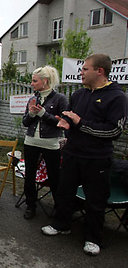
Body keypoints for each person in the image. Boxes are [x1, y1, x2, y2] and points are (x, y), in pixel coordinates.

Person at [41, 54, 128, 256]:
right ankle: (61, 224)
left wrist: (80, 123)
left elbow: (114, 131)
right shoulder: (79, 94)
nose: (81, 73)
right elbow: (71, 120)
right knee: (64, 192)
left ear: (100, 71)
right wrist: (66, 123)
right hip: (72, 154)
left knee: (95, 199)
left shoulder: (117, 96)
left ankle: (93, 238)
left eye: (85, 69)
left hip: (97, 158)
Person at [21, 66, 68, 219]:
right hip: (31, 142)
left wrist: (43, 113)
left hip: (50, 143)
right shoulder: (32, 98)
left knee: (55, 177)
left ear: (45, 81)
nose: (32, 83)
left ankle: (59, 207)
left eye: (35, 80)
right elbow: (25, 122)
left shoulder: (60, 99)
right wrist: (32, 114)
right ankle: (30, 205)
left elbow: (62, 123)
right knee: (29, 175)